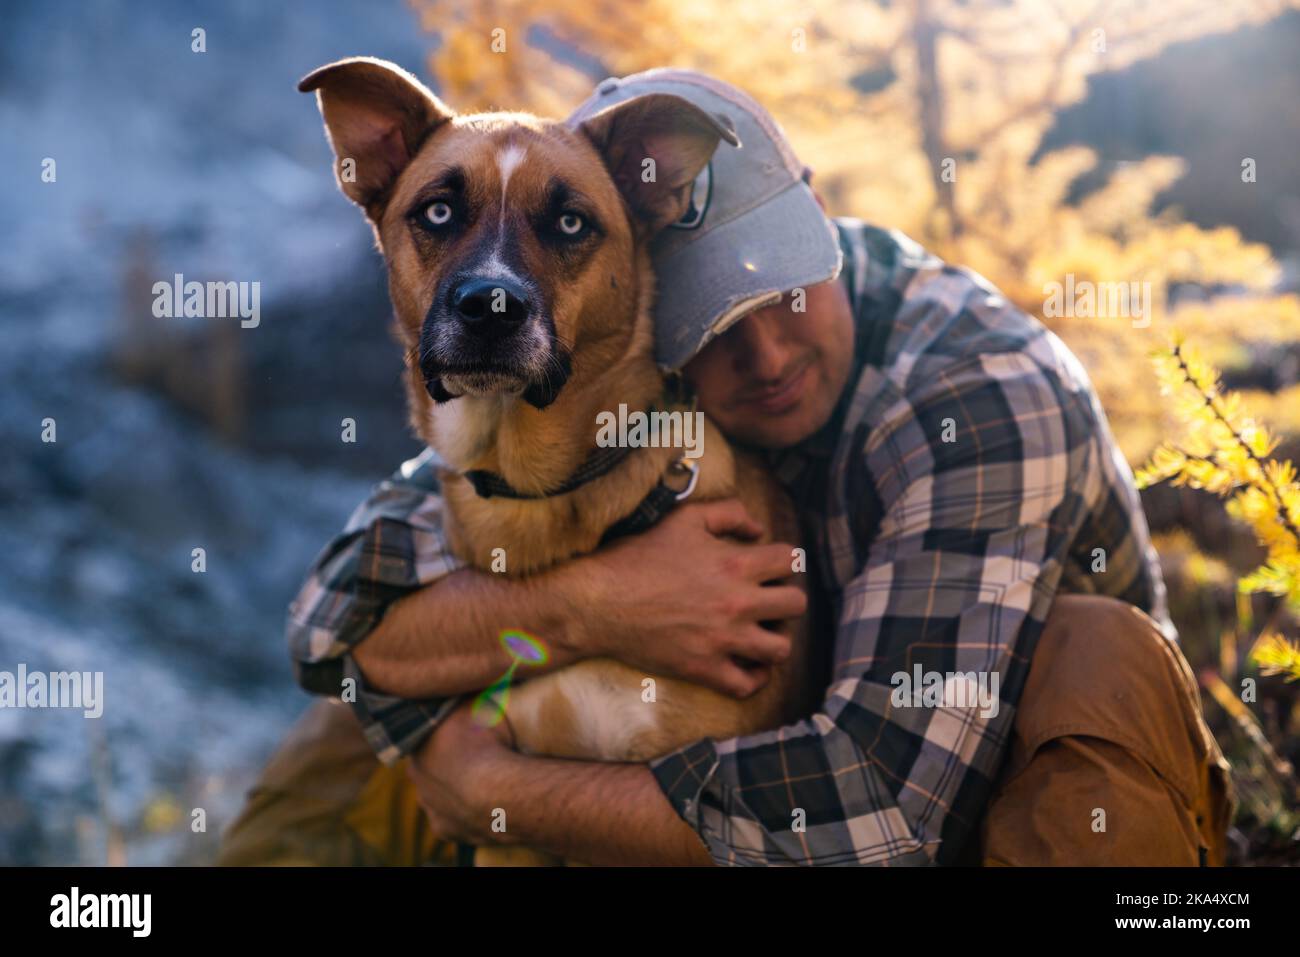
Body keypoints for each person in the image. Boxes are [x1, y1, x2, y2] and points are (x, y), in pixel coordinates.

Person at [219, 69, 1233, 867]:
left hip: (982, 804)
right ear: (636, 326)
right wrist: (598, 603)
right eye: (711, 333)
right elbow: (334, 626)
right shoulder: (606, 356)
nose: (768, 358)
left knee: (1099, 654)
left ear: (817, 217)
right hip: (755, 781)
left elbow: (879, 818)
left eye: (785, 295)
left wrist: (480, 782)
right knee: (358, 725)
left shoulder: (982, 389)